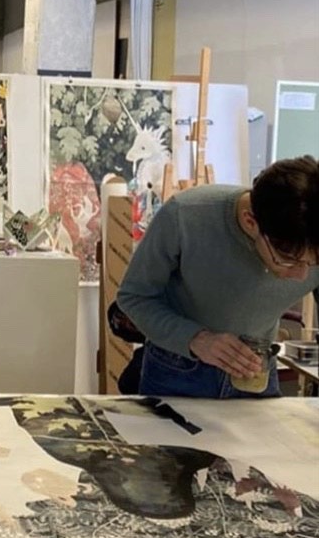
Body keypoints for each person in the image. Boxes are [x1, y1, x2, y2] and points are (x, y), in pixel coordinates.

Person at [116, 155, 319, 398]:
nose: (301, 276)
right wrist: (196, 339)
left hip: (256, 374)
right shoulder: (185, 216)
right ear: (250, 221)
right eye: (288, 260)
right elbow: (134, 297)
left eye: (313, 263)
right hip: (176, 371)